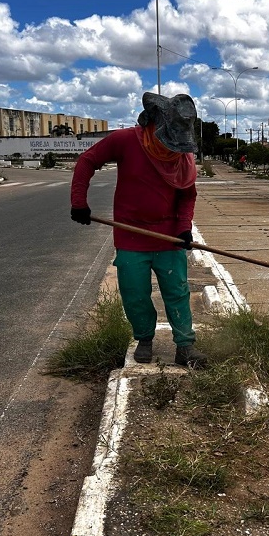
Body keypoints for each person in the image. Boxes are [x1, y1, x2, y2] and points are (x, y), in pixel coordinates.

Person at [70, 92, 207, 369]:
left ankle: (185, 346)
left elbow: (187, 195)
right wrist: (79, 202)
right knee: (135, 293)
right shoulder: (125, 141)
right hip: (131, 235)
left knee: (177, 291)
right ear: (156, 125)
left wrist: (183, 228)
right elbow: (87, 161)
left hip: (169, 236)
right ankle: (144, 339)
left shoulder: (182, 156)